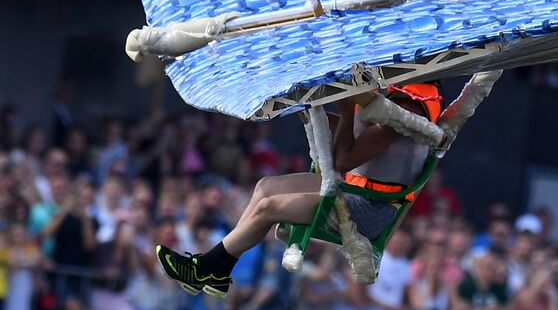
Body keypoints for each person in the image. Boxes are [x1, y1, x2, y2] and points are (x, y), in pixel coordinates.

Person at [155, 83, 442, 298]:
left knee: (270, 207)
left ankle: (209, 266)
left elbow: (344, 158)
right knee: (265, 187)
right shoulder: (395, 96)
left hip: (369, 210)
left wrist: (343, 111)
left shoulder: (409, 111)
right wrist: (306, 105)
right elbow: (353, 131)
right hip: (352, 190)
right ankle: (219, 269)